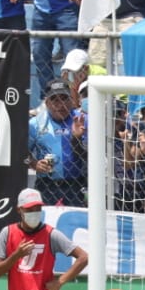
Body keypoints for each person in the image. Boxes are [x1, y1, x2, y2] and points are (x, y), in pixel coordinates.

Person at [28, 78, 88, 207]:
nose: (60, 104)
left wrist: (76, 139)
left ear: (71, 100)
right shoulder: (35, 124)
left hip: (77, 185)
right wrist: (34, 164)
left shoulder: (82, 120)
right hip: (46, 186)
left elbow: (90, 157)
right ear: (47, 102)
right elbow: (22, 153)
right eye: (55, 99)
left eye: (64, 98)